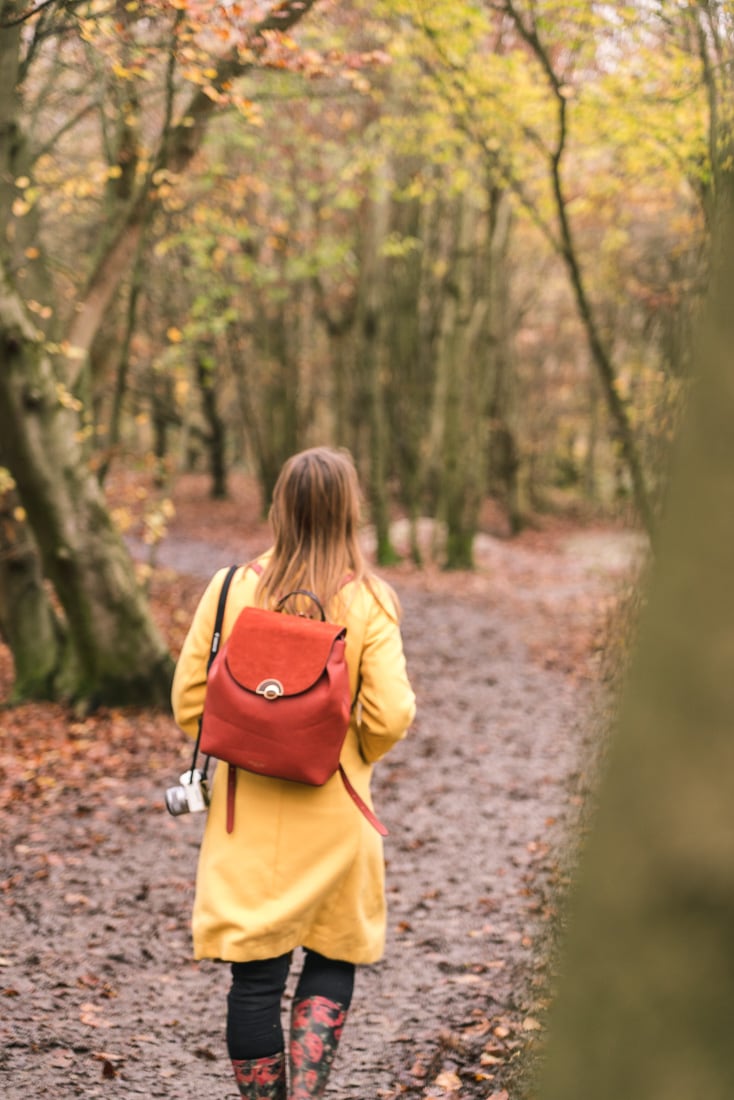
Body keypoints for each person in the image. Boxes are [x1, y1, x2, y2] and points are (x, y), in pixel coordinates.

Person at [171, 446, 416, 1099]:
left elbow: (189, 703)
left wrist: (254, 738)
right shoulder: (367, 600)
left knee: (254, 981)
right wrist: (346, 746)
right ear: (349, 511)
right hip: (335, 808)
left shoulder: (230, 588)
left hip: (246, 815)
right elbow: (390, 713)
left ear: (280, 507)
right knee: (333, 954)